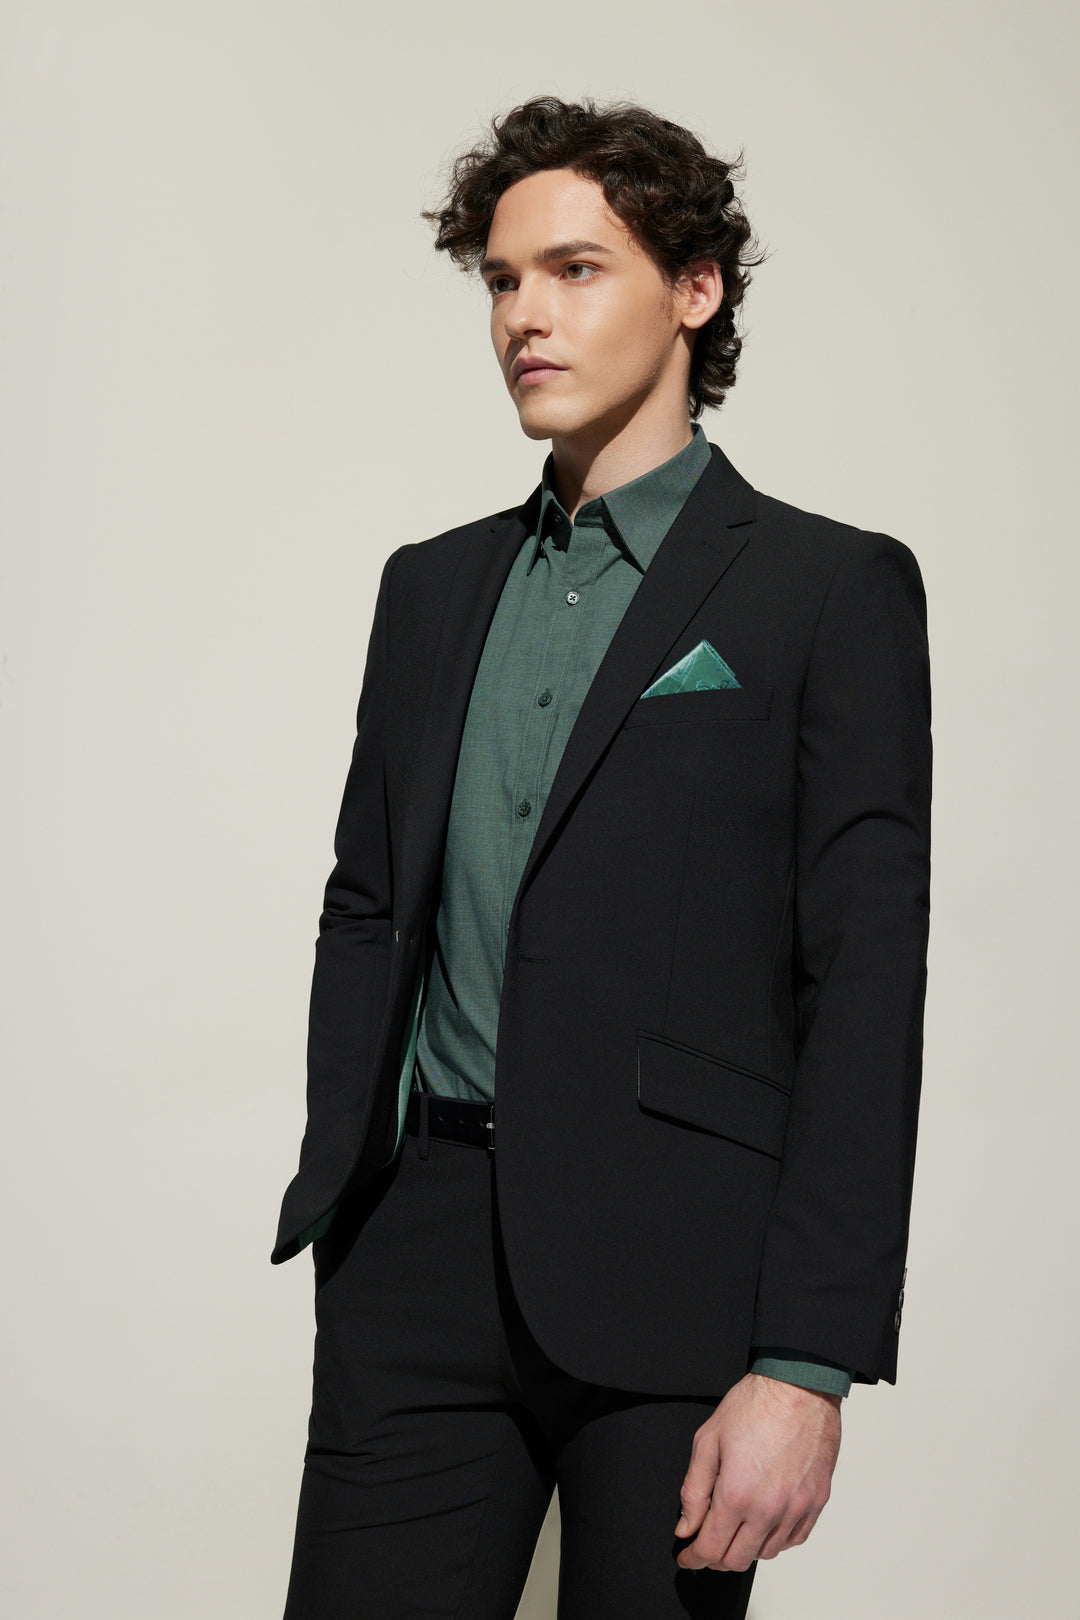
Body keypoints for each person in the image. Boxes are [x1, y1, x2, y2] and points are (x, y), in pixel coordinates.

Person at [272, 94, 932, 1619]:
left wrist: (807, 1360)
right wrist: (350, 1179)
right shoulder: (430, 588)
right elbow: (368, 906)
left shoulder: (826, 589)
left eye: (575, 270)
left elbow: (865, 982)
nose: (525, 315)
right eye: (503, 279)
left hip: (680, 1278)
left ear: (694, 289)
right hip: (415, 1260)